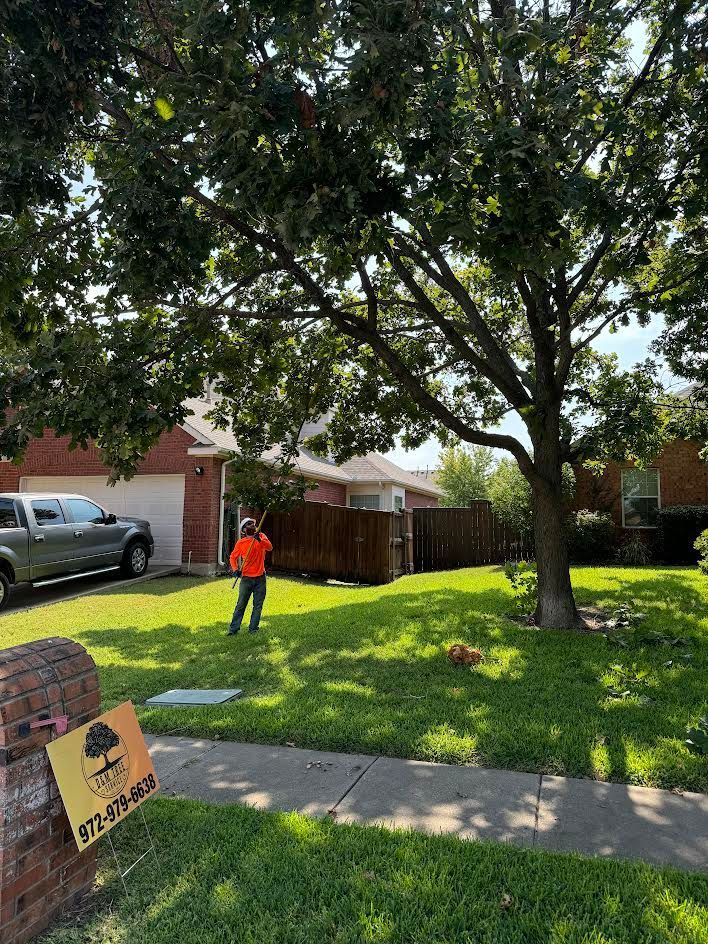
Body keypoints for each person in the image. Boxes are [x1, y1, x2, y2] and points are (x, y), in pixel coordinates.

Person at [228, 518, 273, 635]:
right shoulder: (241, 543)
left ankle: (253, 629)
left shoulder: (261, 536)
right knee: (241, 605)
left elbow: (269, 547)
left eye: (252, 524)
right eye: (248, 524)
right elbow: (233, 557)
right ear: (244, 530)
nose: (252, 525)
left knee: (258, 605)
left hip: (260, 578)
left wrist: (259, 540)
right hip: (246, 578)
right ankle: (233, 630)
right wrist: (235, 570)